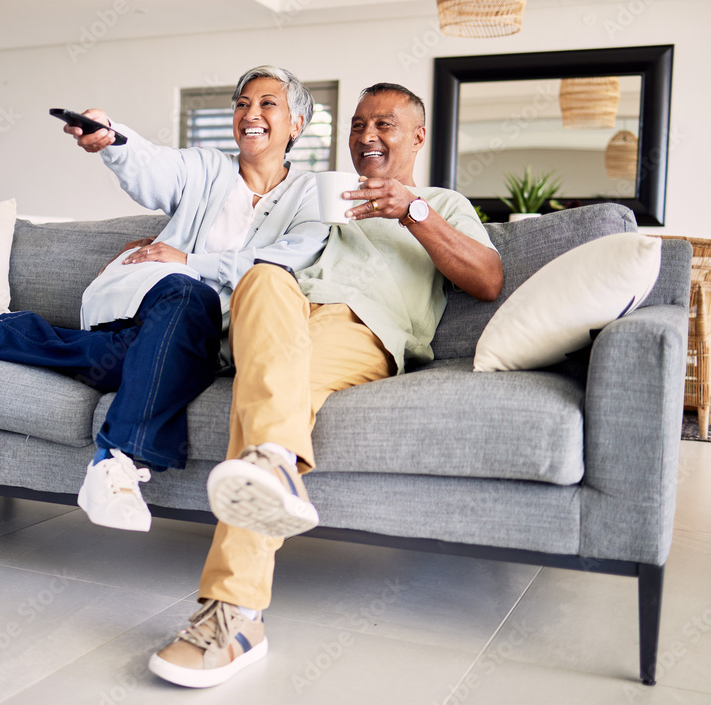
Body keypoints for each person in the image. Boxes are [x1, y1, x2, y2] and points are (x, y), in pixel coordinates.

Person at [147, 83, 503, 688]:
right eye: (358, 124)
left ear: (417, 136)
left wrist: (410, 212)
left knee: (269, 408)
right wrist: (172, 251)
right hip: (270, 318)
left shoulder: (443, 202)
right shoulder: (313, 196)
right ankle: (275, 465)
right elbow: (241, 233)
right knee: (263, 278)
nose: (366, 135)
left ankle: (232, 611)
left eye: (384, 125)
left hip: (358, 328)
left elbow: (488, 280)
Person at [0, 66, 329, 534]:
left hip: (216, 336)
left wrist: (190, 258)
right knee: (191, 295)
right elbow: (155, 166)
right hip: (157, 295)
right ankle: (114, 460)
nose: (251, 113)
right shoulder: (208, 168)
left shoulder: (310, 193)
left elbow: (289, 259)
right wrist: (114, 139)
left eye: (268, 104)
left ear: (297, 125)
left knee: (148, 356)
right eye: (243, 103)